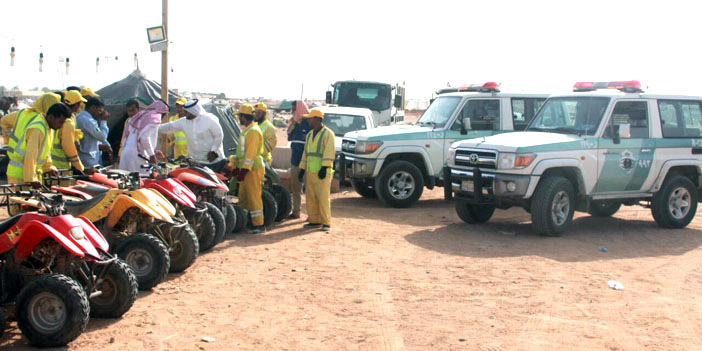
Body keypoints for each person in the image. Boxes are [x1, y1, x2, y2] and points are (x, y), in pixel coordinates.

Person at [7, 102, 71, 188]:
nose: (61, 126)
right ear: (51, 117)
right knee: (22, 201)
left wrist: (49, 167)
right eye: (60, 122)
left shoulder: (49, 128)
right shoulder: (38, 129)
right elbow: (30, 156)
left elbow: (45, 153)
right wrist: (32, 178)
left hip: (29, 174)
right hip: (19, 175)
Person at [229, 104, 266, 234]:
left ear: (244, 117)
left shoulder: (254, 131)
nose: (238, 118)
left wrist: (244, 170)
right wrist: (237, 168)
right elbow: (242, 154)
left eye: (239, 116)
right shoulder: (246, 131)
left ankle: (259, 224)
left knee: (254, 197)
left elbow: (250, 154)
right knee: (243, 197)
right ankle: (242, 221)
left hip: (253, 170)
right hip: (246, 169)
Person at [298, 108, 335, 231]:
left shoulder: (328, 134)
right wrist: (302, 169)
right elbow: (306, 153)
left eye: (310, 118)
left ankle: (326, 222)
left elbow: (329, 152)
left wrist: (324, 167)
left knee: (323, 197)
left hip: (323, 172)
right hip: (310, 171)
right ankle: (314, 221)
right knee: (311, 197)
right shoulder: (309, 135)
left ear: (317, 119)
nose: (308, 121)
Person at [157, 99, 224, 162]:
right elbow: (169, 127)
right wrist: (153, 128)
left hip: (213, 159)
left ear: (193, 111)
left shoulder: (209, 119)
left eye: (187, 112)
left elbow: (219, 135)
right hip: (196, 160)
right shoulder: (184, 121)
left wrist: (214, 151)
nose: (185, 114)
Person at [119, 100, 168, 172]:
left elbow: (134, 137)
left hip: (126, 153)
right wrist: (151, 155)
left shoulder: (141, 116)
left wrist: (153, 151)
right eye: (164, 114)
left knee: (127, 180)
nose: (163, 117)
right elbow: (144, 138)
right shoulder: (154, 117)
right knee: (144, 179)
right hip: (137, 155)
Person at [51, 90, 89, 173]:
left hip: (53, 164)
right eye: (79, 104)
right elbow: (69, 146)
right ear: (76, 105)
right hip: (61, 165)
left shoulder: (65, 117)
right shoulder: (67, 122)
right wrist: (79, 167)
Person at [286, 100, 311, 219]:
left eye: (294, 109)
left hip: (308, 162)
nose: (292, 112)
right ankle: (296, 211)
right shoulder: (294, 124)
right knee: (295, 187)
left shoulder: (309, 124)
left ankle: (312, 214)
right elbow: (290, 138)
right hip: (295, 160)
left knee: (310, 190)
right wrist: (291, 127)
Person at [76, 97, 111, 168]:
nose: (100, 114)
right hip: (88, 160)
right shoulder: (88, 120)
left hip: (85, 157)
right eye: (100, 110)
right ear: (93, 108)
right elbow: (102, 136)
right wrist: (103, 121)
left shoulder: (80, 116)